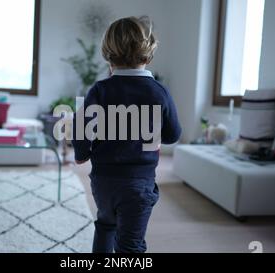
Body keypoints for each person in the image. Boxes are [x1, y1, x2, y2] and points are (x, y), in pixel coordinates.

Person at [72, 16, 182, 253]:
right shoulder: (159, 92)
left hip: (103, 180)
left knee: (105, 226)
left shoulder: (100, 90)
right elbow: (173, 134)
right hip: (138, 183)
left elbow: (81, 127)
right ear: (149, 54)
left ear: (107, 54)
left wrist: (82, 154)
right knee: (130, 244)